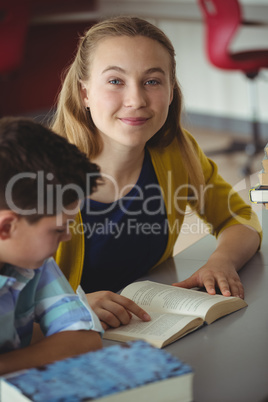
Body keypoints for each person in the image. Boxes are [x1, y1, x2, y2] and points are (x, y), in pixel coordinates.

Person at [51, 16, 262, 330]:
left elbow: (238, 217)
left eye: (152, 81)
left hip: (147, 329)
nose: (136, 100)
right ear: (84, 93)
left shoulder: (176, 152)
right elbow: (11, 304)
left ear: (171, 91)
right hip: (67, 346)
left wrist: (222, 261)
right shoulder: (38, 172)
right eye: (115, 81)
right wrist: (71, 308)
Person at [0, 117, 103, 375]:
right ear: (6, 228)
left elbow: (85, 340)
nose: (67, 236)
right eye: (58, 229)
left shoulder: (34, 263)